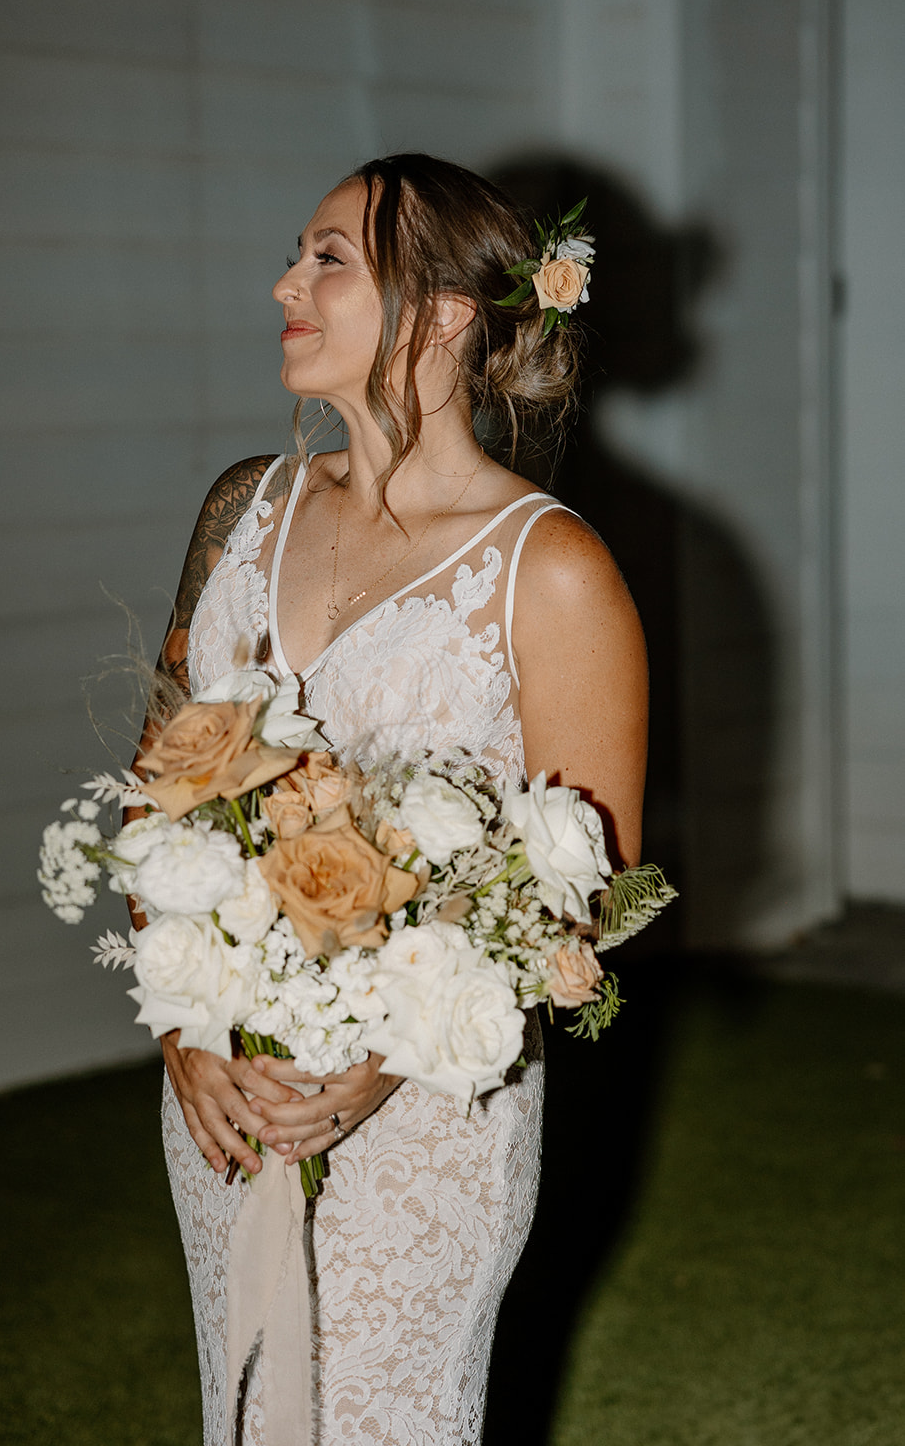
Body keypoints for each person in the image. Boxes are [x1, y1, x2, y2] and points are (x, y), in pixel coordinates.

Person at [134, 154, 647, 1444]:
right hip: (228, 1085)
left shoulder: (553, 568)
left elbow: (589, 898)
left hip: (425, 1109)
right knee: (244, 1410)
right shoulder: (239, 511)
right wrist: (184, 1031)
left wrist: (380, 1065)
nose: (283, 285)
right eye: (296, 255)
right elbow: (160, 801)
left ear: (442, 313)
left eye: (327, 260)